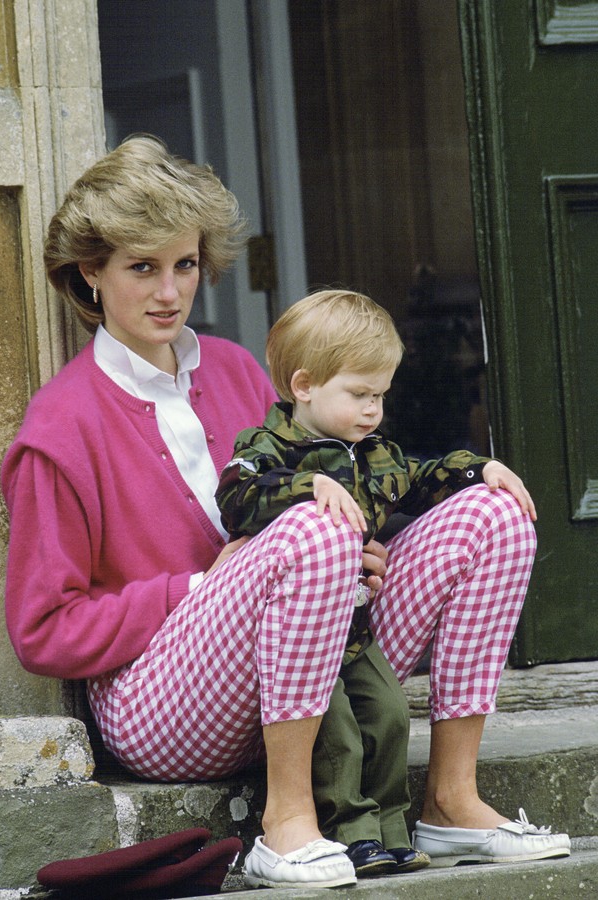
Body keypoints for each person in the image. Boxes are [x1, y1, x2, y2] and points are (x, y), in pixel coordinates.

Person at [1, 135, 363, 890]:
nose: (169, 292)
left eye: (185, 265)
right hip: (154, 708)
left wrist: (356, 550)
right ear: (90, 274)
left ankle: (455, 803)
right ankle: (287, 822)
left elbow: (302, 505)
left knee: (482, 519)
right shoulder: (59, 430)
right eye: (142, 267)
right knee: (303, 529)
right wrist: (194, 591)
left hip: (283, 679)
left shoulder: (233, 367)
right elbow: (42, 630)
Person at [215, 289, 572, 870]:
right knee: (340, 734)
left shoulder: (371, 454)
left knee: (388, 714)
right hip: (296, 645)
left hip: (356, 633)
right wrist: (307, 489)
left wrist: (478, 468)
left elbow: (421, 477)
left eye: (380, 395)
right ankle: (349, 831)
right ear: (303, 385)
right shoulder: (267, 448)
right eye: (359, 394)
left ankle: (392, 832)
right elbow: (236, 496)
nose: (372, 409)